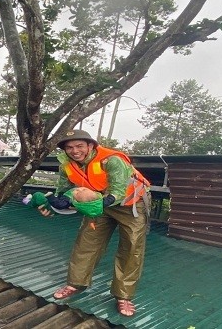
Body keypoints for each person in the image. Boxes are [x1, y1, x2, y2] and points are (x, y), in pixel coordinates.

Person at [38, 130, 151, 317]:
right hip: (98, 203)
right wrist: (56, 202)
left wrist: (95, 204)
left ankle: (123, 296)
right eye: (70, 147)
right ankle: (76, 283)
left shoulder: (112, 160)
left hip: (130, 203)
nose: (75, 151)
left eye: (79, 146)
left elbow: (117, 191)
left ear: (90, 145)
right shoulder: (66, 165)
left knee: (132, 247)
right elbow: (64, 190)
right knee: (86, 241)